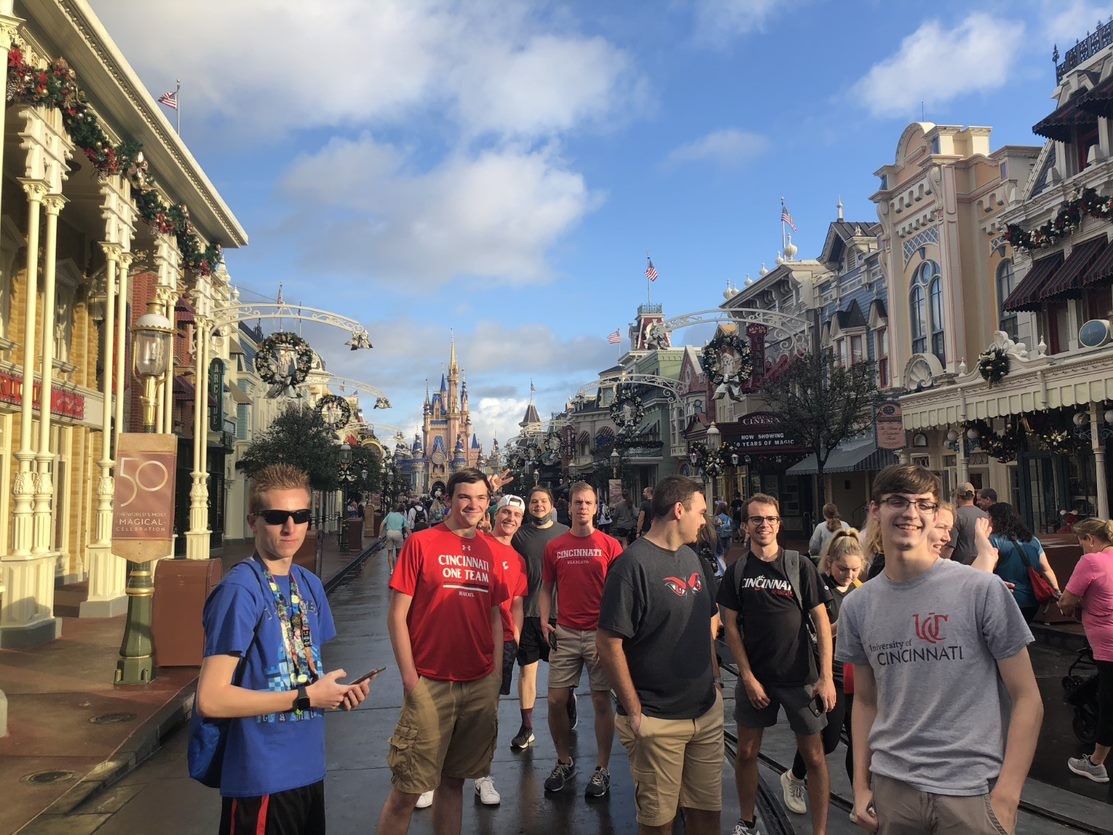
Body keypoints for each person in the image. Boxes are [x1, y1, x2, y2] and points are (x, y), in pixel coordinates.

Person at [837, 464, 1043, 835]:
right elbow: (866, 702)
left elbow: (1027, 696)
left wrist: (1008, 795)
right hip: (893, 790)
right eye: (897, 501)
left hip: (971, 791)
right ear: (874, 510)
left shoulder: (980, 590)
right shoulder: (858, 606)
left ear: (935, 514)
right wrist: (861, 784)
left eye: (923, 504)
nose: (910, 513)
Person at [197, 463, 370, 835]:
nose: (290, 527)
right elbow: (211, 699)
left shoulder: (307, 584)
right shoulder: (240, 591)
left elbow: (299, 670)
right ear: (253, 521)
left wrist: (334, 693)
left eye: (300, 515)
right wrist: (306, 697)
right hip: (262, 775)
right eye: (276, 517)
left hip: (308, 767)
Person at [376, 468, 508, 835]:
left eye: (481, 498)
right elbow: (396, 616)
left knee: (455, 782)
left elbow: (495, 617)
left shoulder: (490, 550)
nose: (474, 504)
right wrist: (410, 680)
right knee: (407, 790)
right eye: (465, 496)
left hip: (479, 681)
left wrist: (495, 676)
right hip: (431, 683)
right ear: (448, 499)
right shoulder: (421, 543)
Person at [597, 476, 724, 834]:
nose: (704, 520)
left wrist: (715, 683)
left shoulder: (690, 557)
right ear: (679, 510)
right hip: (658, 719)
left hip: (705, 712)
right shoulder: (631, 566)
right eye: (701, 512)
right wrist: (635, 712)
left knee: (707, 814)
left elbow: (706, 622)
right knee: (659, 822)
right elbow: (608, 642)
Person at [717, 493, 836, 835]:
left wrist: (826, 676)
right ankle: (747, 820)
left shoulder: (800, 566)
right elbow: (732, 629)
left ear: (779, 524)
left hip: (801, 678)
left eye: (770, 519)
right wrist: (747, 677)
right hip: (758, 678)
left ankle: (820, 830)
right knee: (746, 753)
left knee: (814, 757)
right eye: (756, 519)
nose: (764, 525)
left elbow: (822, 623)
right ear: (745, 526)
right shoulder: (738, 571)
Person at [540, 482, 624, 799]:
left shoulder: (610, 545)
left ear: (596, 505)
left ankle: (602, 768)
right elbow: (546, 587)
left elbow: (620, 592)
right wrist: (547, 621)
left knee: (602, 700)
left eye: (588, 502)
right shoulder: (556, 546)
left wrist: (614, 630)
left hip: (599, 633)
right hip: (566, 631)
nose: (583, 507)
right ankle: (564, 760)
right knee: (555, 700)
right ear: (570, 506)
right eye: (578, 502)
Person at [781, 528, 864, 817]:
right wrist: (837, 628)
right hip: (828, 674)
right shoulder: (818, 590)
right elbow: (809, 633)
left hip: (858, 676)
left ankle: (861, 801)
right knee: (827, 741)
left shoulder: (861, 589)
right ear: (829, 563)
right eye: (843, 568)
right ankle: (794, 775)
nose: (849, 574)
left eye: (855, 569)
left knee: (860, 742)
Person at [469, 493, 528, 806]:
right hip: (470, 638)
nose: (510, 519)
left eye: (516, 516)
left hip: (502, 642)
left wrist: (514, 637)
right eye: (505, 513)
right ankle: (434, 778)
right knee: (453, 707)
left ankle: (482, 776)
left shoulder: (518, 559)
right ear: (496, 514)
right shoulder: (477, 544)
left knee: (488, 711)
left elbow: (517, 602)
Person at [509, 486, 571, 751]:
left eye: (543, 501)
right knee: (527, 671)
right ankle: (527, 726)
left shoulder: (565, 533)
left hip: (558, 614)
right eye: (533, 502)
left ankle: (568, 708)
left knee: (561, 674)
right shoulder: (519, 535)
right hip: (529, 612)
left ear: (551, 504)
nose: (538, 505)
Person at [1058, 517, 1113, 783]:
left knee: (1108, 701)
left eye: (1081, 541)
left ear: (1091, 539)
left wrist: (1068, 606)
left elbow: (1067, 599)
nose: (1081, 547)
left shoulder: (1091, 561)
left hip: (1108, 645)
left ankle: (1096, 763)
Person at [987, 501, 1061, 622]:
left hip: (1007, 598)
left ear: (996, 519)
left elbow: (987, 572)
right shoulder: (1033, 540)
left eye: (989, 517)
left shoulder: (993, 541)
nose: (987, 520)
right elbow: (1046, 569)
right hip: (1032, 600)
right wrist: (1057, 591)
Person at [950, 481, 989, 565]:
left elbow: (950, 545)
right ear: (973, 496)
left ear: (958, 497)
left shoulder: (956, 515)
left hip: (960, 564)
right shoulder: (985, 515)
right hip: (981, 562)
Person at [379, 501, 408, 575]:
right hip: (398, 534)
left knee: (390, 552)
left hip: (389, 533)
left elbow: (382, 524)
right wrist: (411, 537)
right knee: (399, 552)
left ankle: (392, 569)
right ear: (401, 511)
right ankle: (398, 569)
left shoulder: (389, 514)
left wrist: (380, 534)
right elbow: (407, 528)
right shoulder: (402, 517)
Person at [714, 500, 733, 571]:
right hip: (728, 535)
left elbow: (714, 526)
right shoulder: (728, 517)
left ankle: (722, 562)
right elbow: (731, 525)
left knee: (720, 550)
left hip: (719, 535)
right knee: (726, 548)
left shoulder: (716, 517)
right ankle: (724, 560)